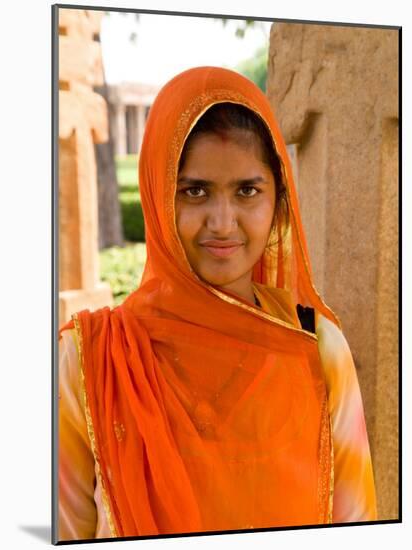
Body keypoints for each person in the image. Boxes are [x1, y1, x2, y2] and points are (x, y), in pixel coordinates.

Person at [58, 66, 377, 541]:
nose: (223, 223)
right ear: (157, 195)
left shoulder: (316, 347)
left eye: (247, 191)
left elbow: (357, 525)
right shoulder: (92, 360)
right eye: (195, 191)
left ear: (279, 201)